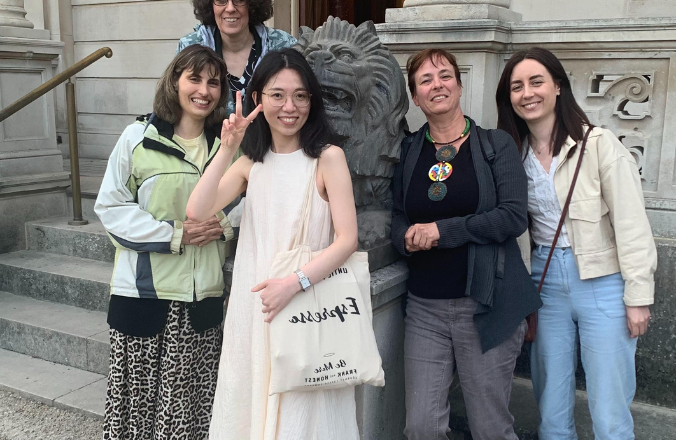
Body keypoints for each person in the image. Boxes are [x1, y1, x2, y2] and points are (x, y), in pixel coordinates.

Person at [186, 48, 360, 440]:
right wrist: (228, 146)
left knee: (303, 415)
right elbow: (197, 211)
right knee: (249, 406)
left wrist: (293, 282)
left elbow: (348, 239)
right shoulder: (252, 161)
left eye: (300, 95)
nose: (289, 106)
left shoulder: (328, 158)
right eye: (277, 94)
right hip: (256, 310)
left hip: (305, 303)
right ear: (258, 100)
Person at [496, 47, 657, 440]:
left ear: (558, 87)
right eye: (517, 86)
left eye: (536, 82)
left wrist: (638, 296)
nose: (527, 93)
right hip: (544, 280)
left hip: (602, 281)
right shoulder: (511, 155)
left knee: (609, 402)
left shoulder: (598, 144)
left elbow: (632, 224)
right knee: (550, 399)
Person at [391, 48, 541, 440]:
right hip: (425, 308)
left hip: (486, 304)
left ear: (459, 85)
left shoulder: (497, 145)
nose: (436, 84)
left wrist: (443, 231)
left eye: (444, 76)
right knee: (422, 427)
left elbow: (512, 216)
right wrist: (404, 236)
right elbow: (395, 214)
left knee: (490, 427)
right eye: (425, 80)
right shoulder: (408, 151)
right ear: (415, 96)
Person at [95, 45, 236, 440]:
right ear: (175, 81)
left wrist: (222, 224)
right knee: (136, 412)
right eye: (195, 78)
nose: (204, 90)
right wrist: (174, 234)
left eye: (213, 82)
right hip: (144, 296)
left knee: (190, 410)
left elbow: (251, 201)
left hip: (202, 297)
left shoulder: (228, 145)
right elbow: (110, 208)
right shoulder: (137, 138)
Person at [177, 0, 297, 115]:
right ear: (210, 4)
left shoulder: (283, 45)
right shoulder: (191, 46)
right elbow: (175, 103)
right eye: (221, 0)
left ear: (252, 4)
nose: (230, 8)